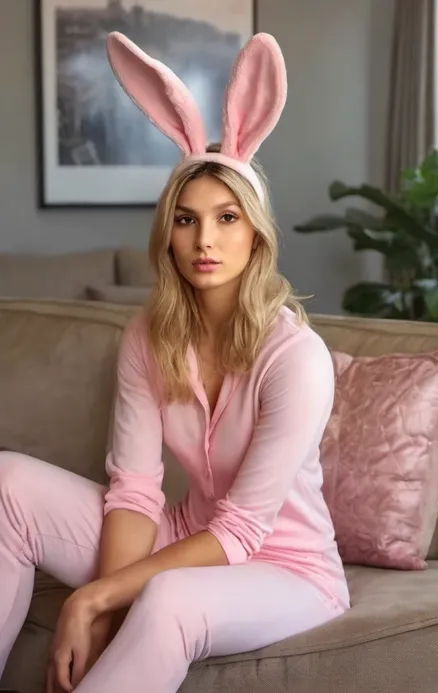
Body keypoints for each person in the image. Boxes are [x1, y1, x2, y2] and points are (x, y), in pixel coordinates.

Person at [0, 31, 350, 693]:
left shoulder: (297, 358)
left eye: (226, 218)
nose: (206, 240)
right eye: (187, 220)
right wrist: (107, 596)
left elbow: (244, 529)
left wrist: (93, 598)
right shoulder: (148, 334)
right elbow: (134, 489)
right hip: (185, 532)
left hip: (287, 567)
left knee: (169, 599)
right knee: (6, 482)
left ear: (255, 232)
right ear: (169, 232)